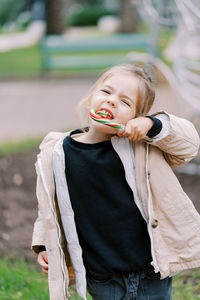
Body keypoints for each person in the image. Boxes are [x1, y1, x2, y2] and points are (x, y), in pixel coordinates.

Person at [31, 64, 200, 300]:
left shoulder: (143, 147)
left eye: (126, 102)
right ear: (91, 98)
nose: (112, 102)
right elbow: (49, 209)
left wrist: (153, 125)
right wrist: (44, 245)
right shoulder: (57, 153)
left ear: (136, 119)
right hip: (102, 276)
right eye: (106, 92)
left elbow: (189, 144)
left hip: (151, 272)